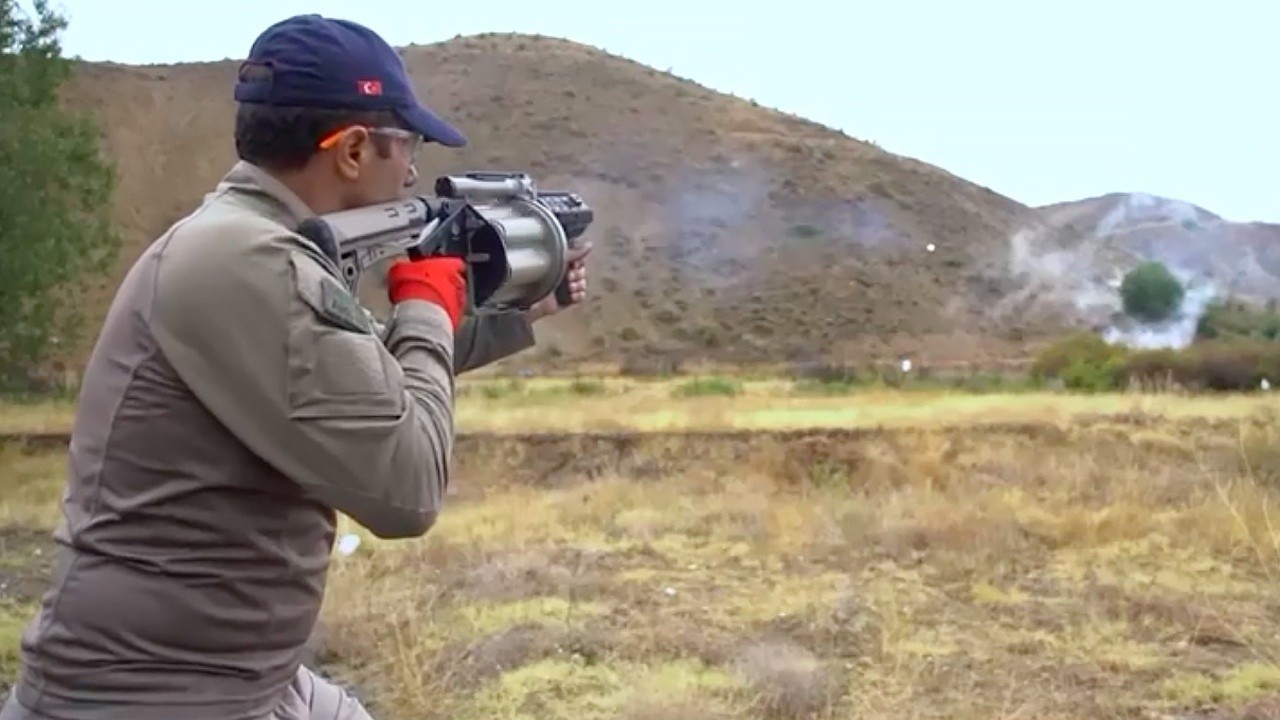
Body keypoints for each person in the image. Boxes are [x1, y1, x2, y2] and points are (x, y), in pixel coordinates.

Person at [0, 13, 590, 720]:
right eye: (408, 145)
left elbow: (354, 372)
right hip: (149, 695)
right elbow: (407, 487)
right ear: (350, 150)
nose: (412, 172)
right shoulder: (251, 263)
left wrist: (518, 314)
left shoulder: (250, 245)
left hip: (233, 676)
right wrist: (429, 304)